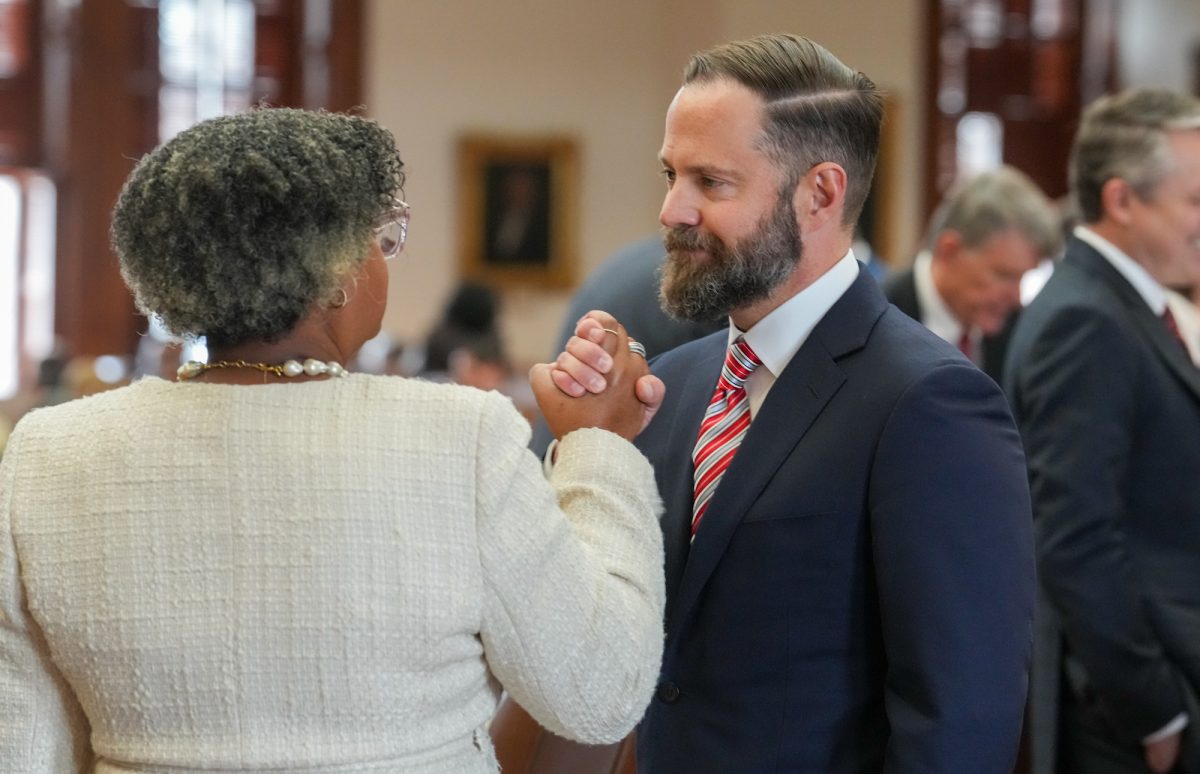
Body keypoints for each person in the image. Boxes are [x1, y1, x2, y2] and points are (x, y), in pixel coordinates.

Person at [0, 108, 666, 772]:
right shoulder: (458, 438)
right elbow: (599, 689)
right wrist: (597, 447)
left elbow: (25, 743)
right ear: (340, 272)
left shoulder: (48, 454)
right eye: (385, 238)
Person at [552, 33, 1034, 773]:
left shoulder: (930, 400)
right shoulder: (674, 383)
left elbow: (960, 714)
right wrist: (588, 444)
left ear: (820, 194)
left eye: (711, 182)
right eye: (670, 174)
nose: (672, 210)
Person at [1004, 88, 1200, 774]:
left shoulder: (1125, 307)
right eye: (1195, 202)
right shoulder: (1086, 321)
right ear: (1122, 201)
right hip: (1132, 715)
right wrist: (1157, 711)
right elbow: (1076, 538)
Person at [881, 165, 1061, 383]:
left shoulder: (1018, 332)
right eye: (1005, 275)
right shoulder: (878, 317)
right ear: (949, 250)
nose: (1016, 297)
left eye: (1023, 278)